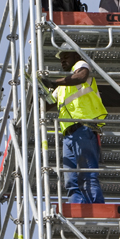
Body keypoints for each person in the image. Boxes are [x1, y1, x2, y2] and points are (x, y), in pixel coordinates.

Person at [44, 46, 108, 204]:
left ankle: (96, 208)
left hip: (84, 129)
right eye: (60, 59)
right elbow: (45, 105)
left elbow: (80, 77)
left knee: (87, 174)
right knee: (71, 181)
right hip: (68, 136)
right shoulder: (62, 88)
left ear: (75, 57)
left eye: (66, 56)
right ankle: (77, 210)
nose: (62, 61)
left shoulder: (81, 67)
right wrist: (38, 89)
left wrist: (52, 82)